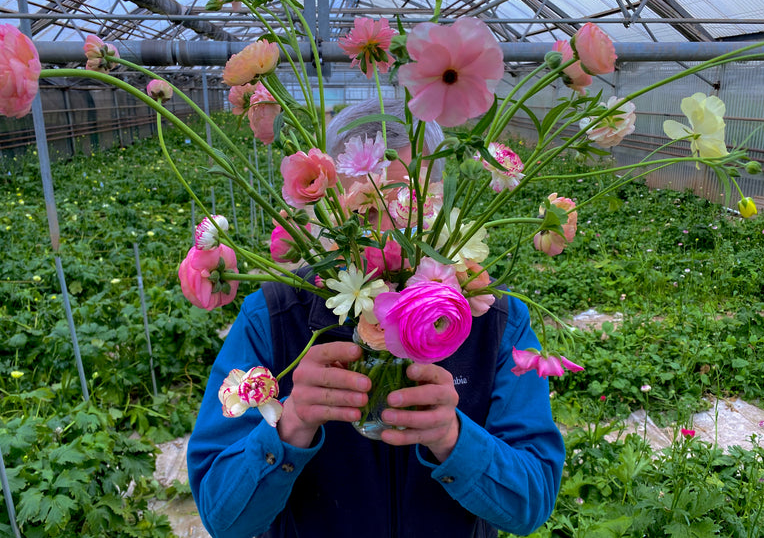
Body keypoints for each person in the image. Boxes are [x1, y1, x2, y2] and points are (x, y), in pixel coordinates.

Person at [187, 99, 565, 538]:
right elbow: (222, 518)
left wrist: (453, 438)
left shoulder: (493, 317)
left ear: (443, 210)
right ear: (325, 214)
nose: (390, 231)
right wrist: (289, 426)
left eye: (411, 209)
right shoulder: (273, 316)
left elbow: (531, 504)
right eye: (365, 212)